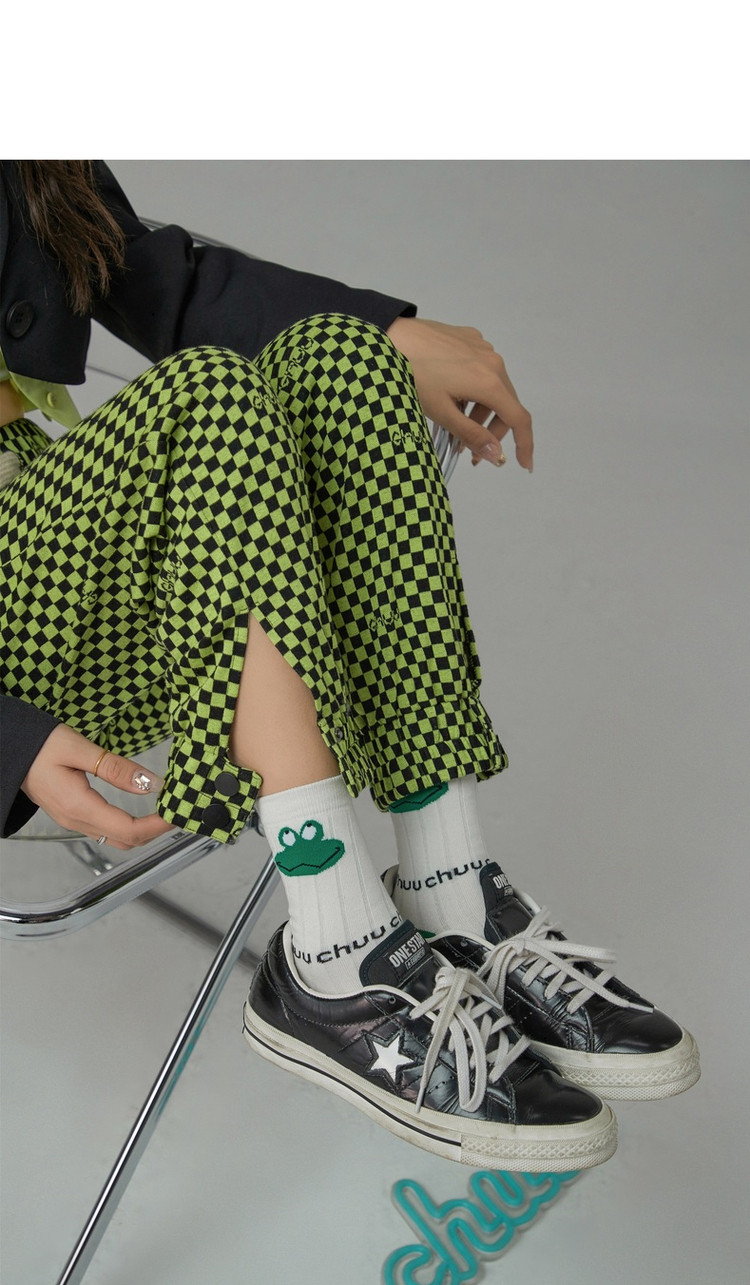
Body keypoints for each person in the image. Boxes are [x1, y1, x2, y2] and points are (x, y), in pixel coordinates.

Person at [0, 160, 698, 1173]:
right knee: (207, 398)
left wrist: (387, 332)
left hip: (57, 566)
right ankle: (333, 955)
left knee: (343, 359)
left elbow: (136, 268)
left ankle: (450, 892)